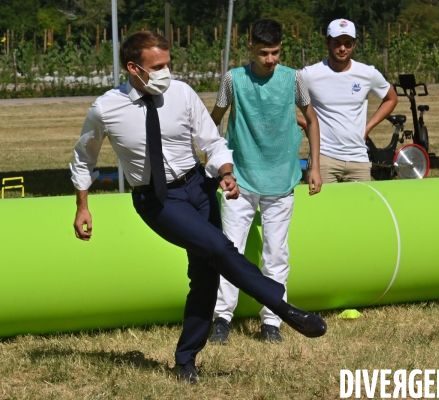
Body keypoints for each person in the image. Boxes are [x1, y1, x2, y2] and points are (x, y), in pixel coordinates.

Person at [70, 31, 327, 384]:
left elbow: (211, 140)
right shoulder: (106, 109)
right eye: (157, 67)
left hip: (198, 186)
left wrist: (224, 171)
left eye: (168, 64)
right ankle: (283, 308)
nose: (166, 72)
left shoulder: (182, 94)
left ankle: (185, 360)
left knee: (205, 275)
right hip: (156, 199)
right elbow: (84, 158)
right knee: (218, 247)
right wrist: (83, 206)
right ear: (133, 68)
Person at [209, 19, 322, 343]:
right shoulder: (233, 79)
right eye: (263, 53)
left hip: (282, 181)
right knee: (228, 250)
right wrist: (218, 165)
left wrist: (314, 166)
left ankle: (272, 320)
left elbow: (311, 121)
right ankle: (222, 318)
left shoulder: (294, 79)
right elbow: (212, 122)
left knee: (276, 254)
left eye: (274, 53)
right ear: (251, 48)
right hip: (240, 183)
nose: (270, 59)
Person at [300, 18, 398, 183]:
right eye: (337, 43)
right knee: (324, 209)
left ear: (355, 44)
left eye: (348, 43)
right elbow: (281, 98)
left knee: (360, 209)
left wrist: (367, 128)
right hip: (324, 159)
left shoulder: (367, 73)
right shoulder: (310, 74)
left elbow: (391, 98)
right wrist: (304, 123)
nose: (342, 48)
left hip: (359, 160)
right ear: (327, 42)